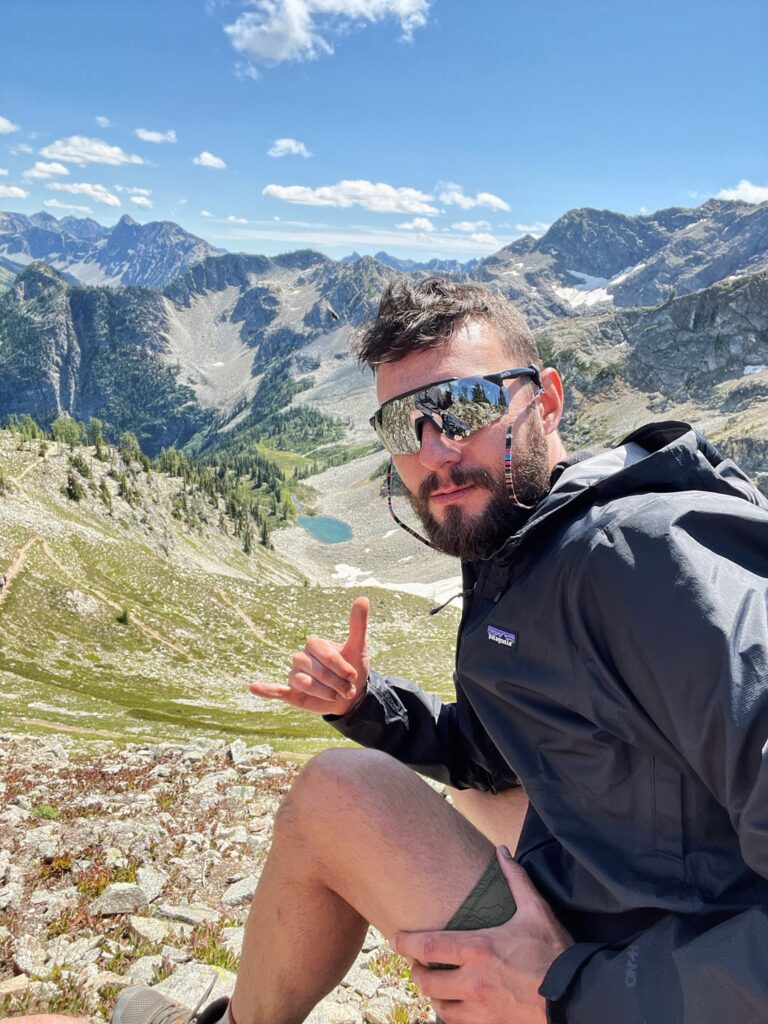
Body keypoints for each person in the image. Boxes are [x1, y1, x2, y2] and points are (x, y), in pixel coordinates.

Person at [19, 279, 768, 1024]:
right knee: (443, 792)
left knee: (337, 793)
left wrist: (570, 990)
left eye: (466, 404)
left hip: (642, 983)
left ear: (545, 400)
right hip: (621, 924)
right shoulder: (515, 544)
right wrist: (365, 704)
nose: (435, 449)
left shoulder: (648, 559)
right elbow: (497, 756)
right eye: (402, 424)